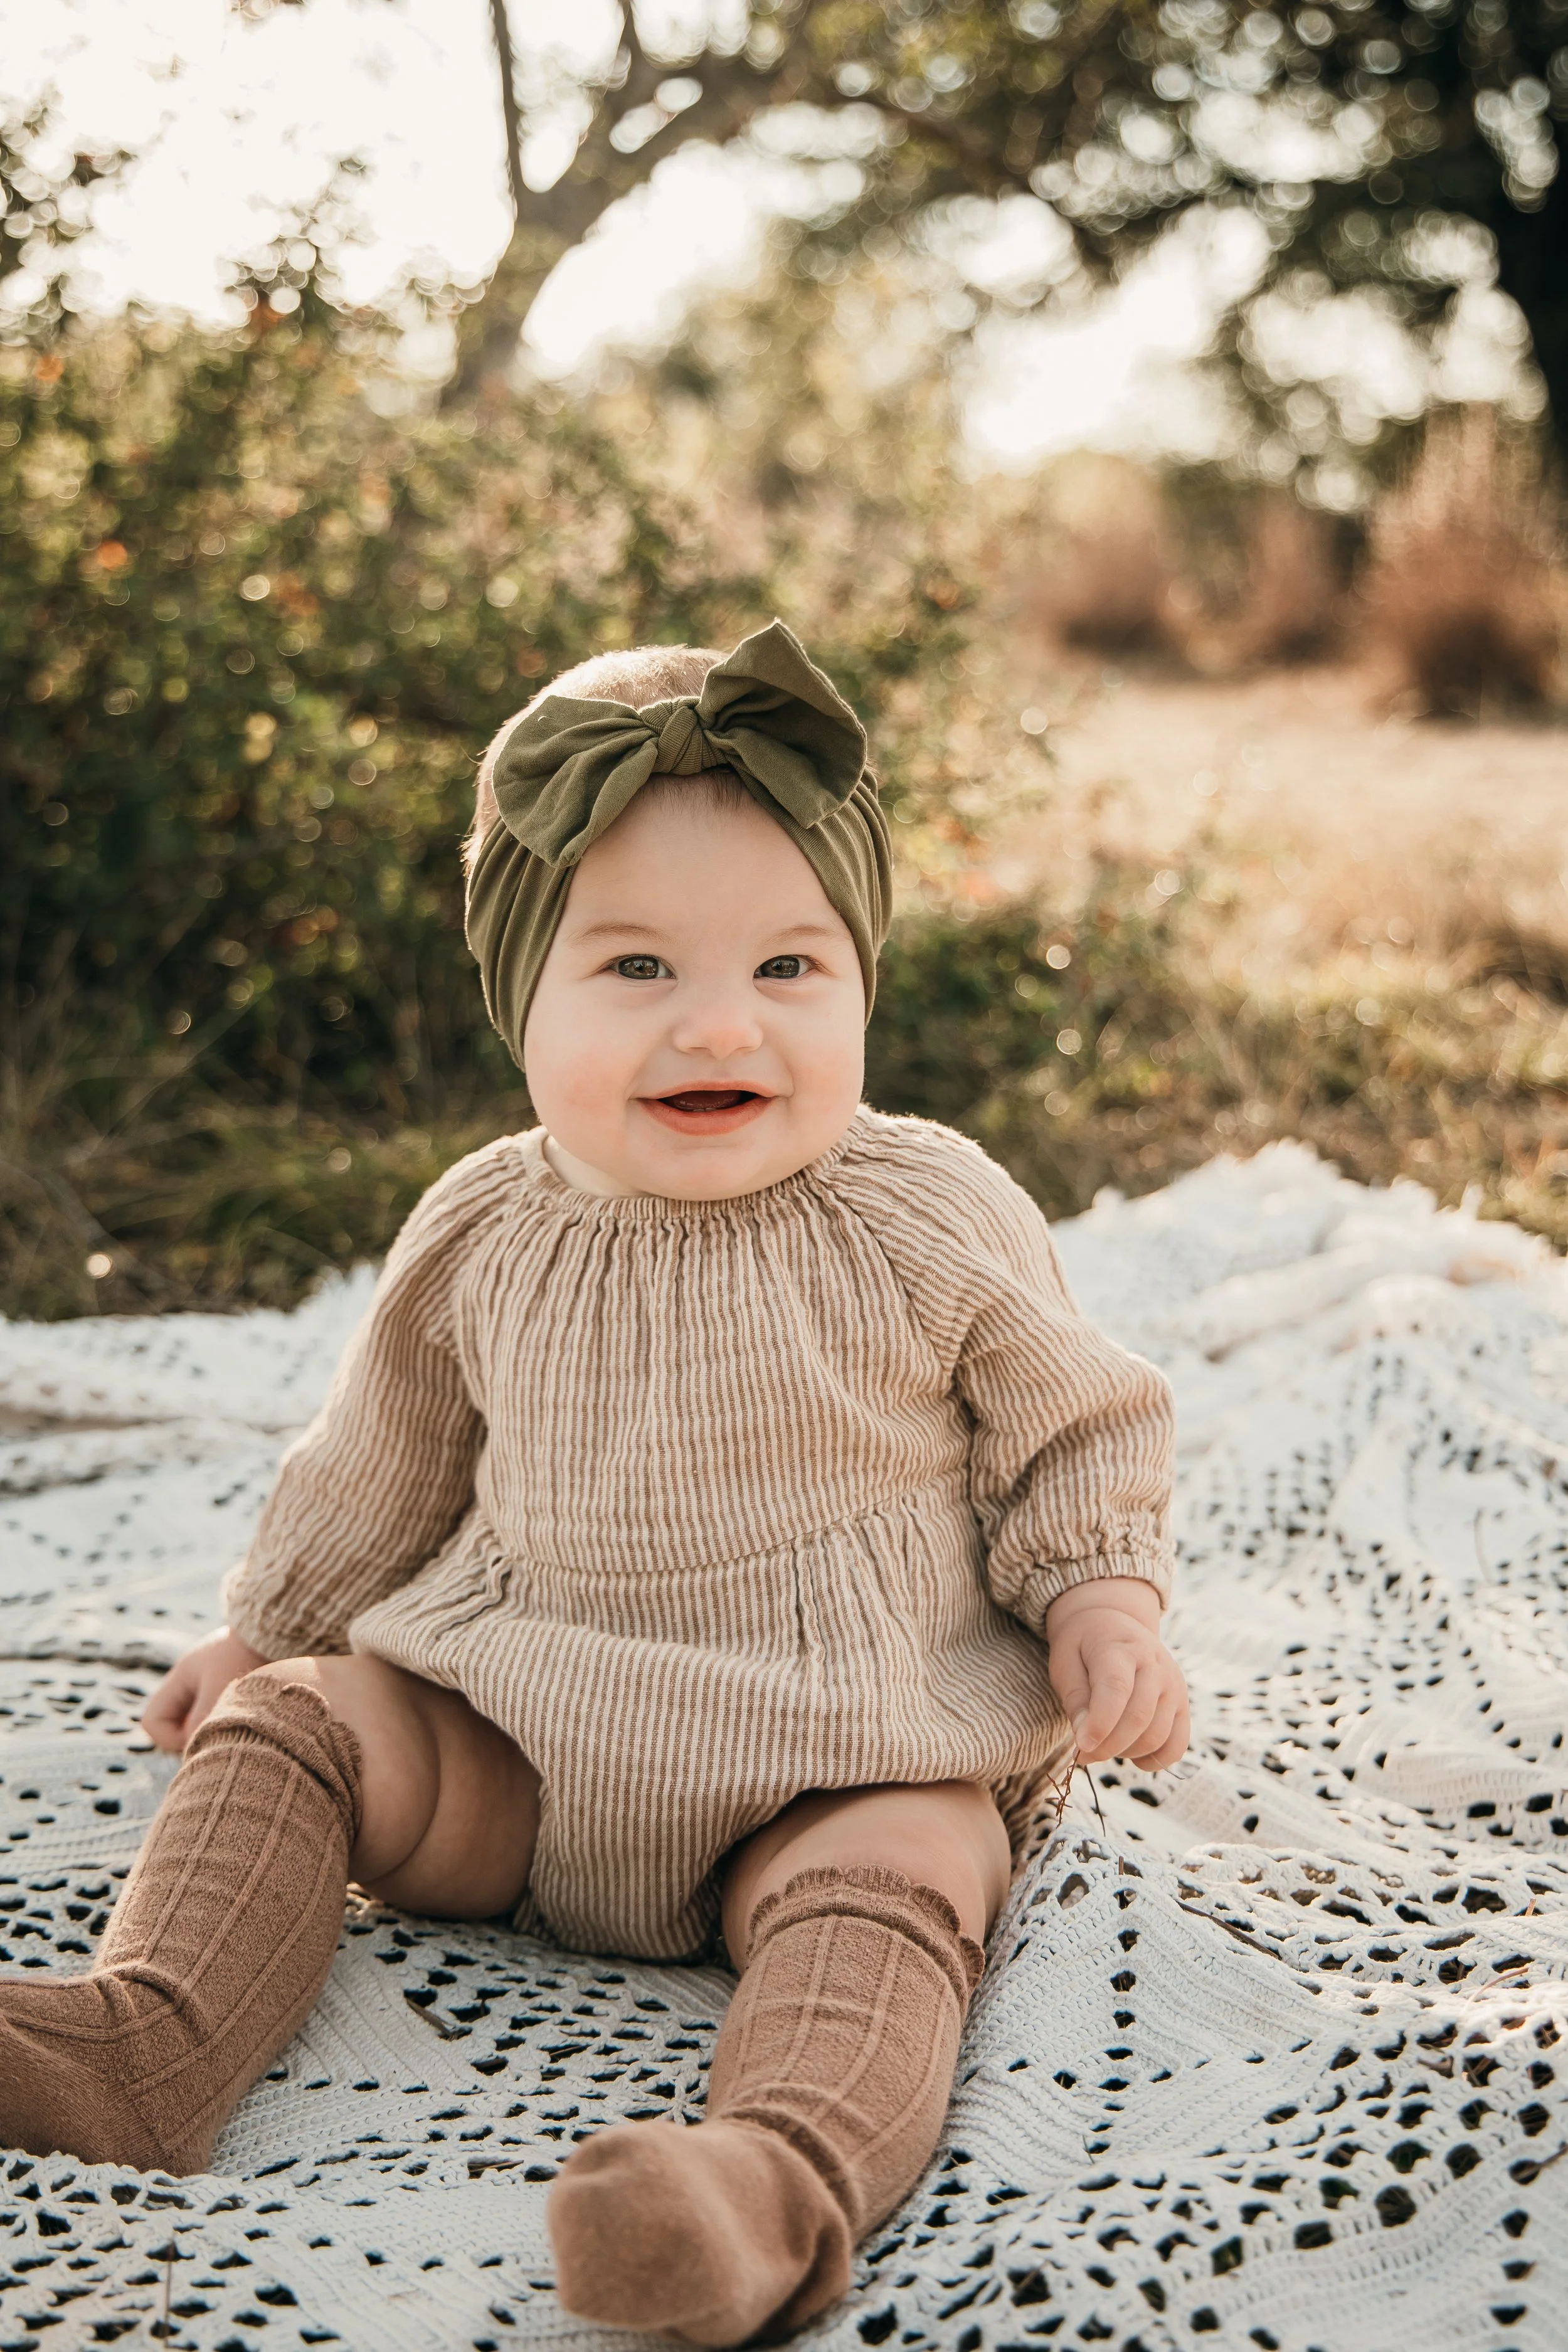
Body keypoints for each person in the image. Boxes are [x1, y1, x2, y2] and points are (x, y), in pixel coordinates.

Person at [0, 623, 1187, 2347]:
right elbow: (379, 1463)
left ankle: (760, 2187)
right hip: (523, 1738)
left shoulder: (926, 1208)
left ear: (860, 979)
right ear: (518, 997)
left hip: (843, 1737)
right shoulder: (484, 1224)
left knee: (905, 1879)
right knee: (303, 1729)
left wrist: (1099, 1600)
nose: (723, 1021)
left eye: (790, 966)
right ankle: (142, 2042)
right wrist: (266, 1634)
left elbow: (1073, 1425)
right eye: (635, 967)